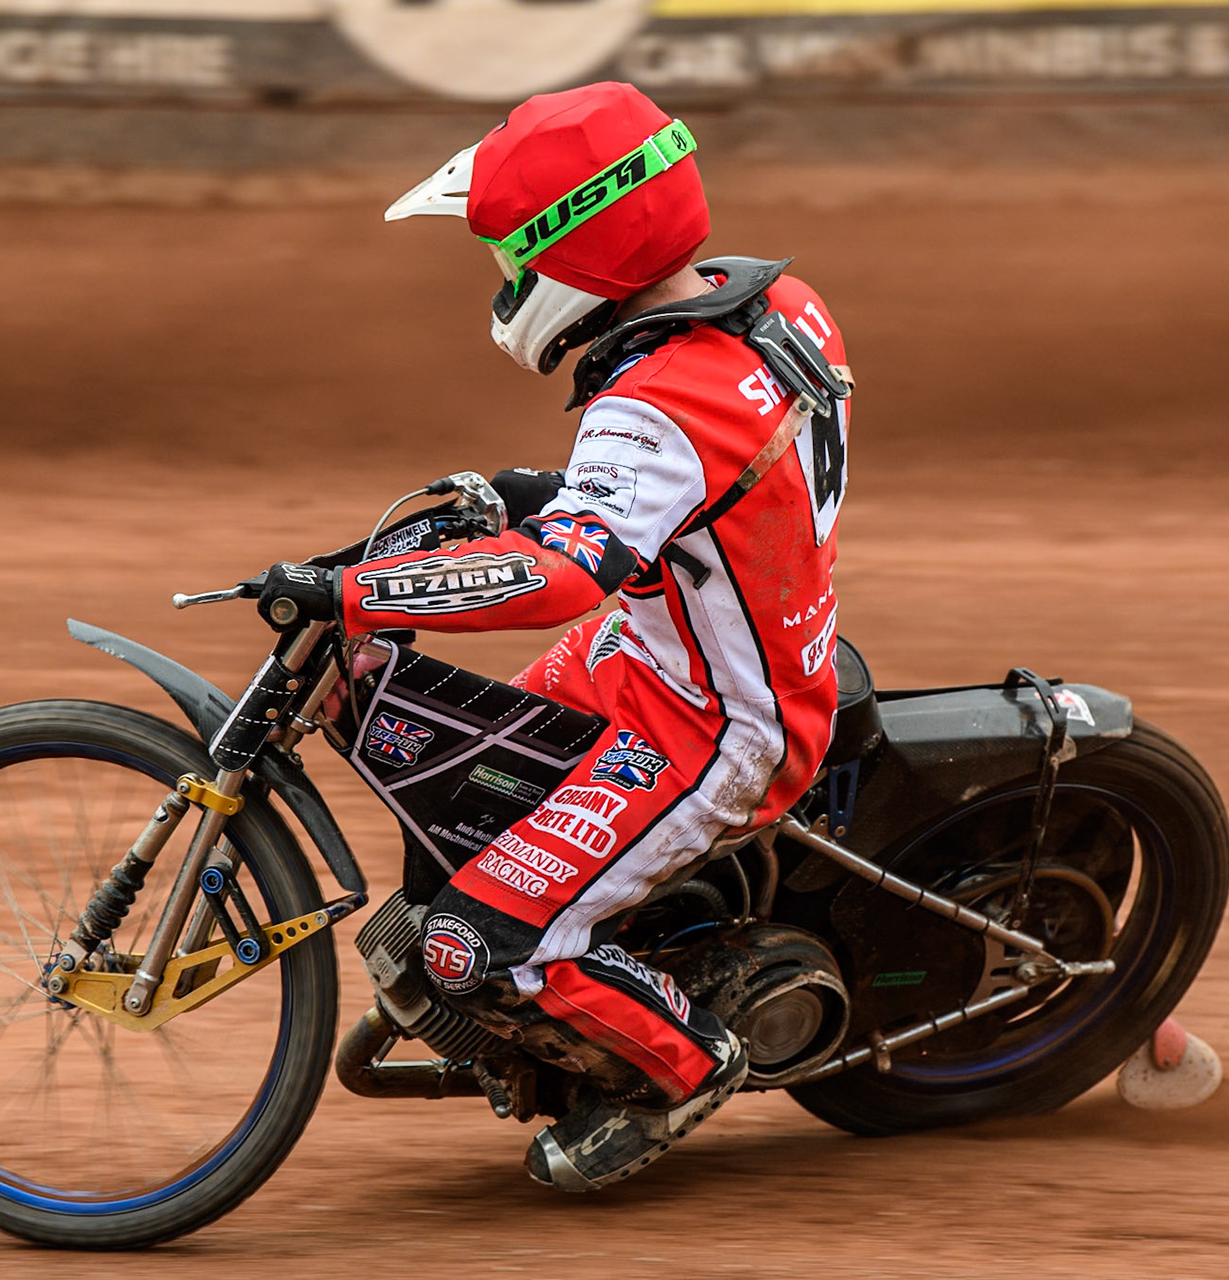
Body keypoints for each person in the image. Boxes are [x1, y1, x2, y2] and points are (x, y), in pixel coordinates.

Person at [254, 81, 852, 1190]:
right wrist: (555, 490)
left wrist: (363, 593)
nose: (505, 282)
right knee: (466, 793)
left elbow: (565, 575)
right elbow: (699, 492)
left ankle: (682, 1064)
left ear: (575, 250)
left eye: (512, 255)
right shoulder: (770, 306)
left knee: (471, 939)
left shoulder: (655, 402)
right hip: (660, 650)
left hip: (715, 726)